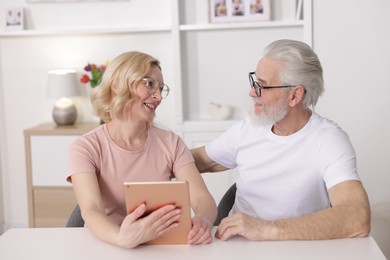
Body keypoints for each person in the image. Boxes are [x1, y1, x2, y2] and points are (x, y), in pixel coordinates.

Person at [191, 39, 371, 241]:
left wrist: (265, 229)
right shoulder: (249, 127)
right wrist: (153, 151)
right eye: (254, 82)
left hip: (298, 249)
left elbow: (357, 216)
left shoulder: (328, 140)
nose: (252, 93)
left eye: (263, 86)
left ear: (295, 95)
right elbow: (196, 160)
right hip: (237, 246)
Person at [67, 51, 217, 248]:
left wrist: (203, 221)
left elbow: (202, 198)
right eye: (149, 84)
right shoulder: (85, 147)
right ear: (117, 85)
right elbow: (91, 210)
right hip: (107, 245)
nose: (158, 96)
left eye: (161, 88)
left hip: (160, 246)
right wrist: (121, 237)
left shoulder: (171, 143)